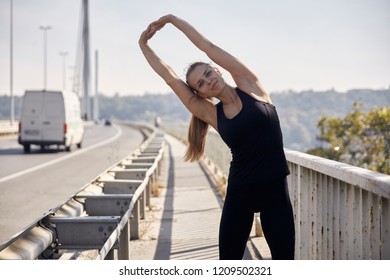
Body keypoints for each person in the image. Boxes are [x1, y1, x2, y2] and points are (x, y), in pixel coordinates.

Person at [139, 14, 295, 260]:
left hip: (275, 190)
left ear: (218, 70)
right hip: (240, 191)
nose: (208, 81)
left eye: (209, 73)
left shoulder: (250, 84)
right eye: (201, 83)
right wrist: (143, 46)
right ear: (199, 93)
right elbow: (169, 77)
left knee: (284, 262)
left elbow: (207, 46)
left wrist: (171, 20)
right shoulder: (211, 113)